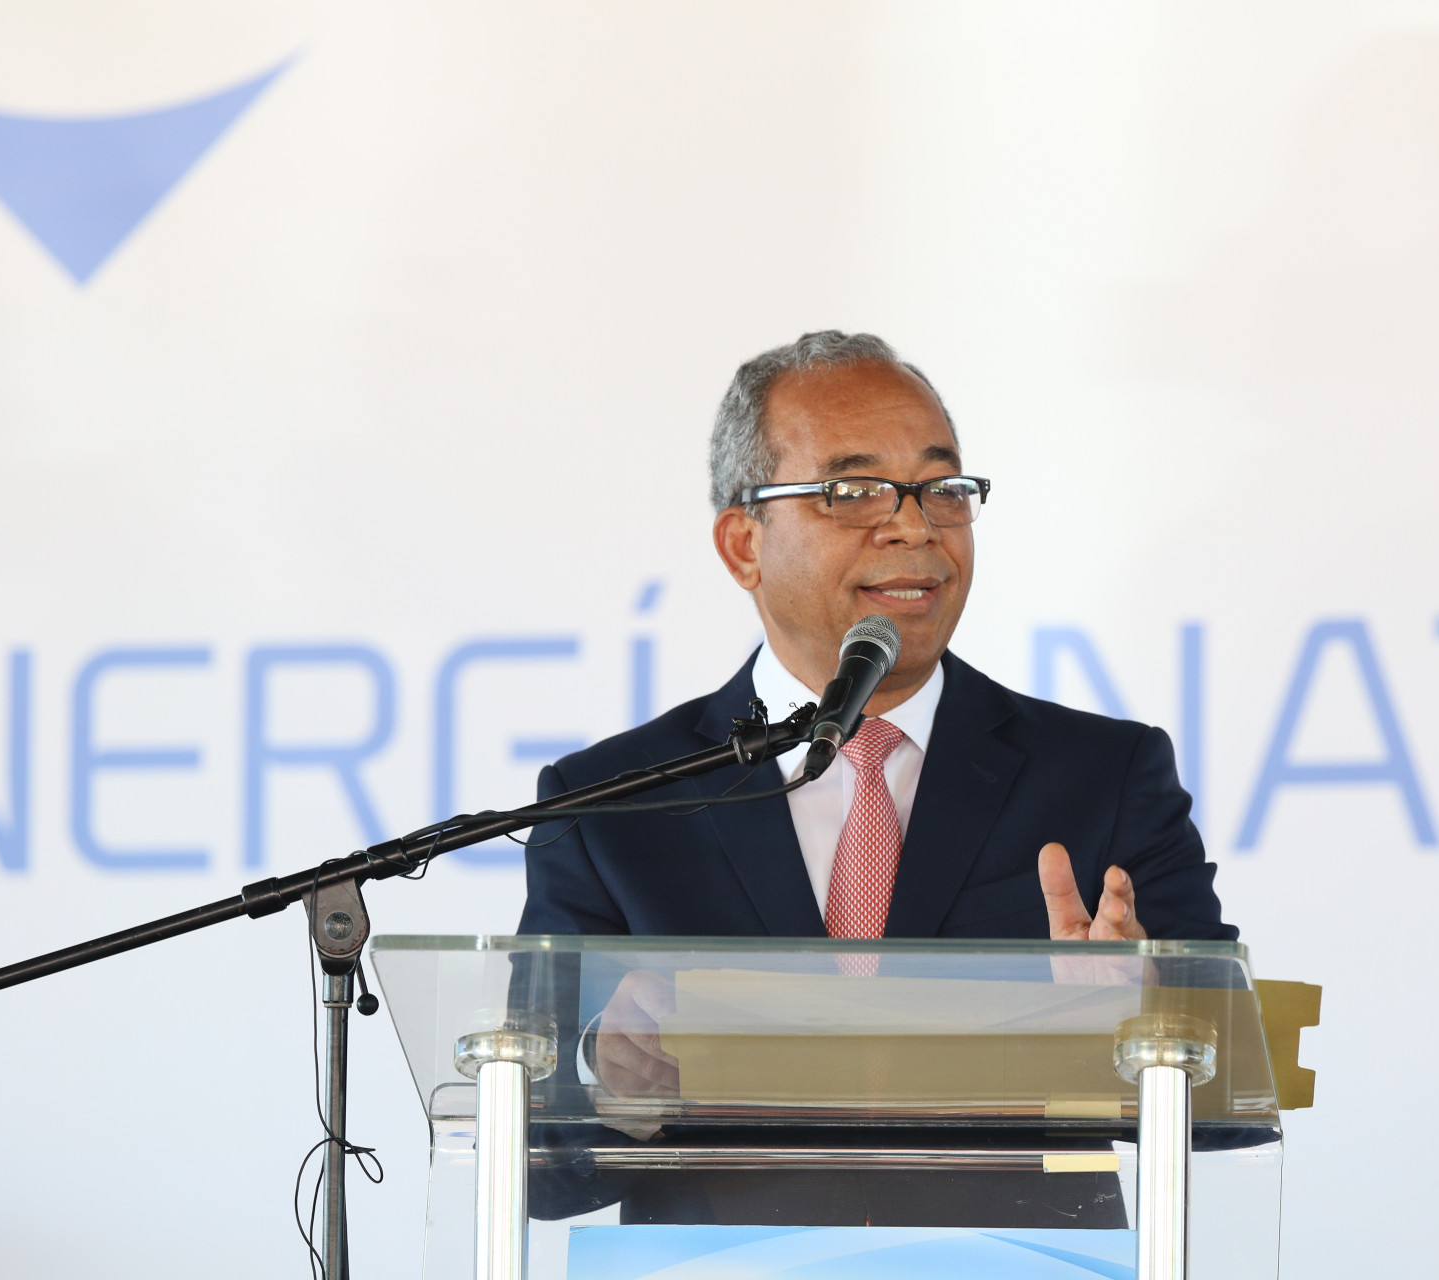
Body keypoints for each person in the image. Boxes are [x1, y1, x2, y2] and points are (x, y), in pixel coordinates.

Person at [516, 330, 1238, 1227]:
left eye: (944, 488)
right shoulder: (613, 801)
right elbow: (533, 1165)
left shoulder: (1103, 774)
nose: (915, 526)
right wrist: (611, 1086)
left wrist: (1146, 1030)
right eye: (852, 491)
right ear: (743, 545)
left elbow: (1231, 1100)